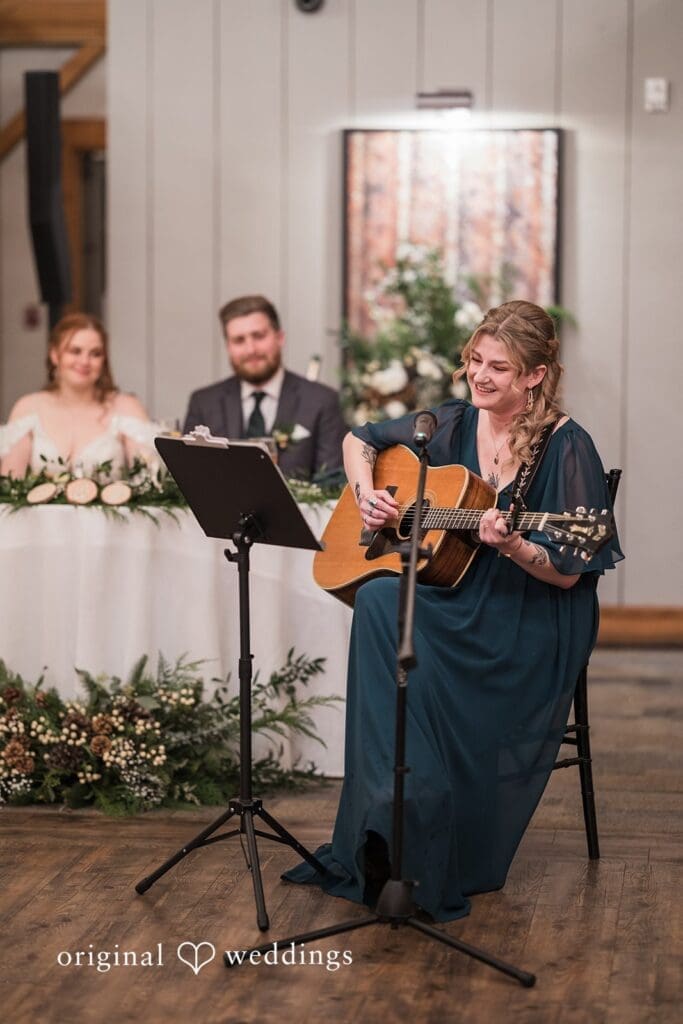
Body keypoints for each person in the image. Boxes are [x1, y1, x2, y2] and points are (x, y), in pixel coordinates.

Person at [284, 300, 623, 922]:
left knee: (395, 612)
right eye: (474, 361)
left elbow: (571, 573)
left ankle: (424, 842)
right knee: (383, 598)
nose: (480, 375)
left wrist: (516, 543)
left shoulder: (567, 446)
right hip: (458, 595)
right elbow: (358, 439)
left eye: (499, 366)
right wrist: (371, 499)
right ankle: (390, 829)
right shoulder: (447, 422)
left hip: (529, 612)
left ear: (535, 375)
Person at [182, 294, 347, 479]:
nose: (251, 350)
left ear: (280, 338)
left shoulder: (321, 401)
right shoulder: (203, 403)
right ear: (228, 346)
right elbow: (190, 477)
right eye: (239, 340)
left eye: (259, 336)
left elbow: (332, 484)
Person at [0, 312, 158, 480]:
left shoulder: (126, 407)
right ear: (54, 355)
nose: (84, 361)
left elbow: (149, 481)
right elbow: (9, 485)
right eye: (75, 351)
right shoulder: (28, 407)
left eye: (95, 354)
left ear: (104, 360)